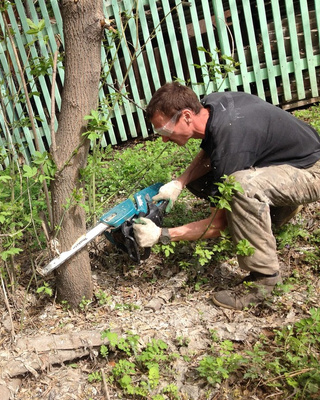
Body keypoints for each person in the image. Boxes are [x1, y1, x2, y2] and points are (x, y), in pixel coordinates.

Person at [134, 82, 320, 310]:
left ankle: (264, 279)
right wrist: (180, 182)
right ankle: (278, 208)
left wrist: (162, 235)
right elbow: (211, 150)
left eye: (164, 131)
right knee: (201, 181)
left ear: (186, 116)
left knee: (242, 188)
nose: (163, 139)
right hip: (288, 158)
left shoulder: (232, 142)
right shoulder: (212, 107)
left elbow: (218, 224)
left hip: (310, 171)